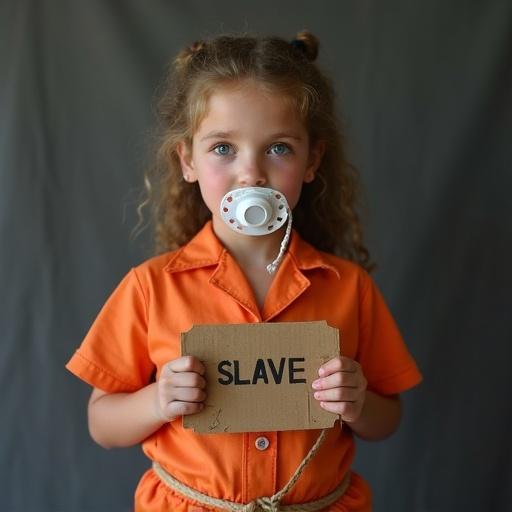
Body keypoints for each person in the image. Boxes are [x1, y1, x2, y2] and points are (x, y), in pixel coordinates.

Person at [66, 31, 422, 512]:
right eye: (223, 149)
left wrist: (357, 403)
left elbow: (388, 419)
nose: (251, 173)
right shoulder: (151, 287)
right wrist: (157, 400)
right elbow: (101, 425)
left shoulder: (348, 287)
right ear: (188, 159)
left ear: (312, 160)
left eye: (278, 149)